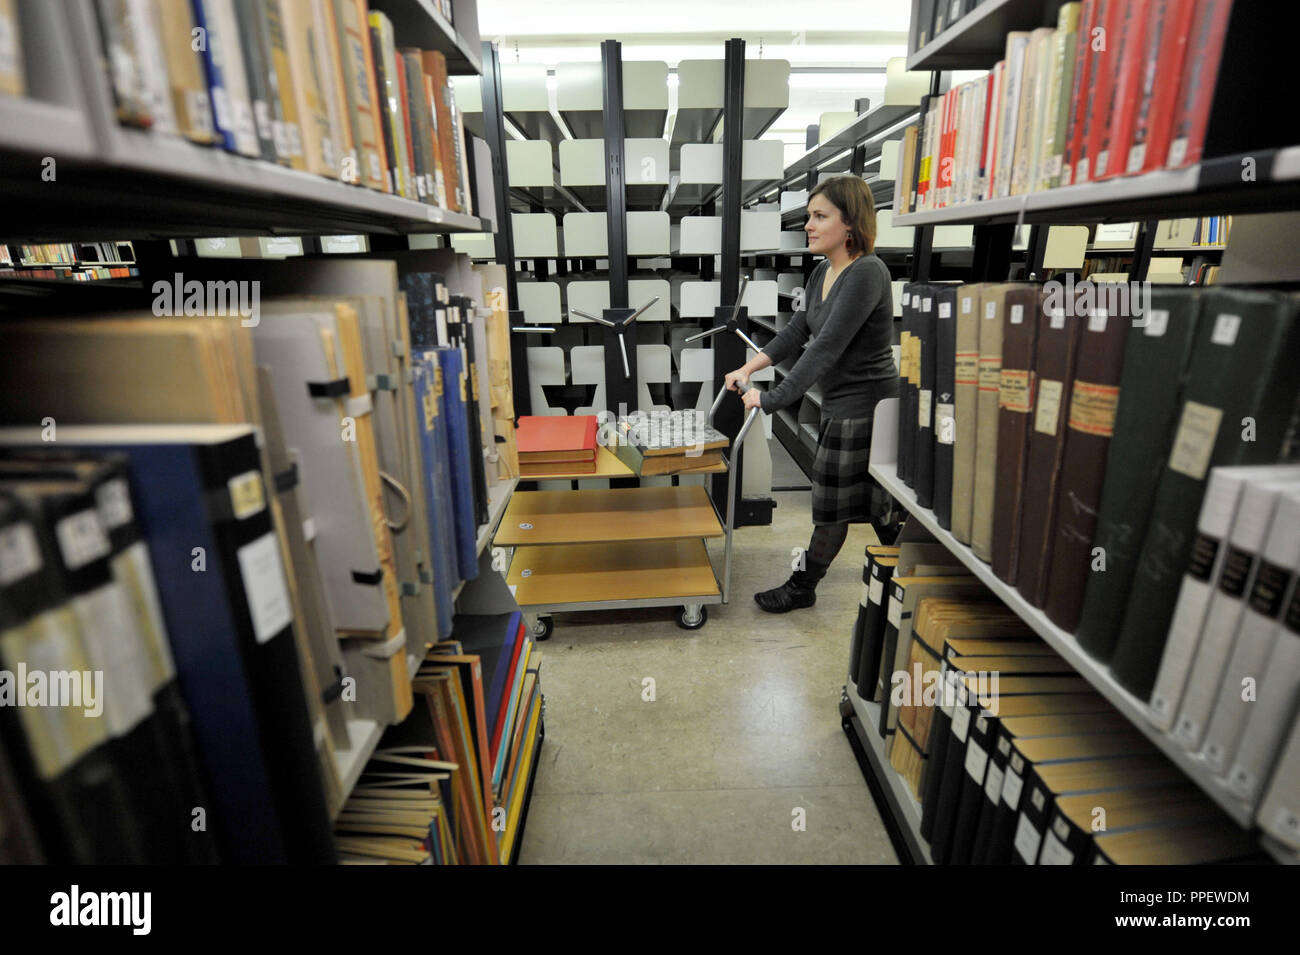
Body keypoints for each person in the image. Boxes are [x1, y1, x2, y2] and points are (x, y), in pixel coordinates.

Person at [725, 175, 899, 613]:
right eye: (809, 216)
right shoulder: (825, 270)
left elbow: (825, 350)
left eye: (820, 216)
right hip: (844, 407)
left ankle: (805, 586)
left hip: (868, 409)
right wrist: (750, 365)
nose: (809, 225)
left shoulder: (867, 273)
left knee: (840, 506)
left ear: (850, 224)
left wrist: (770, 400)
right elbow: (797, 333)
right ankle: (906, 577)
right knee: (858, 504)